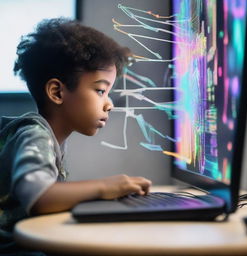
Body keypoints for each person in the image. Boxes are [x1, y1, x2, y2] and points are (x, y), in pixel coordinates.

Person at [0, 18, 152, 254]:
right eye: (100, 90)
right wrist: (105, 186)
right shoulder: (35, 134)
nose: (109, 104)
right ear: (57, 92)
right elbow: (40, 197)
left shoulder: (51, 137)